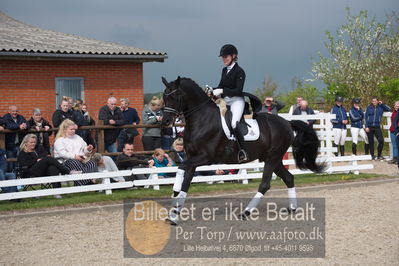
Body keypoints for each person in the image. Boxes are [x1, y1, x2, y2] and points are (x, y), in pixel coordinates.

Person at [211, 44, 249, 162]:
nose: (224, 59)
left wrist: (222, 90)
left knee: (233, 124)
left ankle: (243, 151)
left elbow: (238, 90)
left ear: (233, 56)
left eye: (226, 57)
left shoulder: (240, 71)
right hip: (225, 101)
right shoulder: (224, 70)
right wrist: (212, 90)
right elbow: (221, 85)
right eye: (223, 57)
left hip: (237, 101)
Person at [53, 119, 97, 186]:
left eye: (74, 129)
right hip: (65, 161)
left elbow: (83, 148)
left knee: (91, 163)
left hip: (81, 159)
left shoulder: (78, 137)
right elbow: (62, 153)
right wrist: (74, 156)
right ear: (65, 129)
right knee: (74, 162)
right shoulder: (59, 140)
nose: (73, 131)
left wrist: (88, 149)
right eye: (71, 129)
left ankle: (84, 182)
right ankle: (89, 182)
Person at [3, 105, 27, 171]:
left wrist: (25, 125)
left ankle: (18, 177)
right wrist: (19, 126)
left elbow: (27, 123)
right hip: (9, 146)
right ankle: (11, 178)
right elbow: (8, 125)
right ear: (9, 111)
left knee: (19, 163)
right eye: (13, 111)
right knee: (10, 165)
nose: (15, 112)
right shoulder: (5, 117)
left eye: (16, 111)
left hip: (19, 145)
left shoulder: (20, 117)